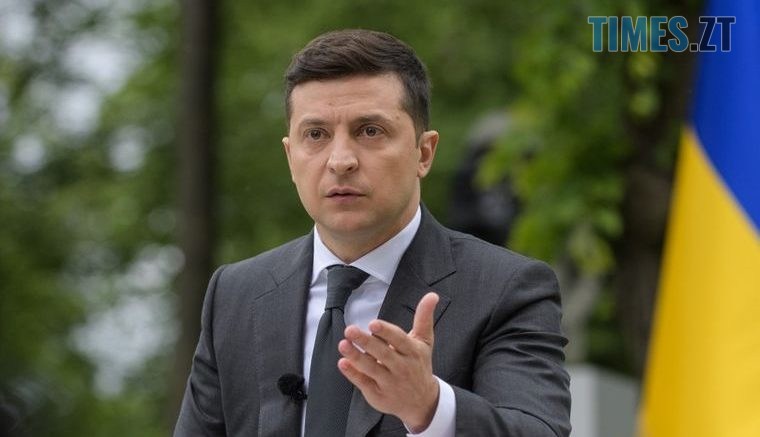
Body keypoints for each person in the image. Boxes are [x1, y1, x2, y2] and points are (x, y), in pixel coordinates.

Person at [174, 29, 571, 437]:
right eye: (316, 135)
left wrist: (430, 408)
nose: (341, 160)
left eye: (370, 131)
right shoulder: (235, 295)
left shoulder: (506, 288)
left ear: (424, 153)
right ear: (291, 157)